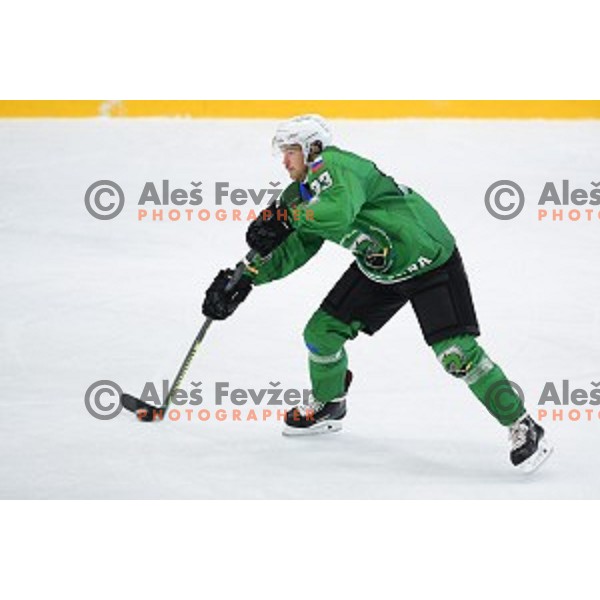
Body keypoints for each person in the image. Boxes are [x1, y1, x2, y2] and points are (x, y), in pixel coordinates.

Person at [202, 114, 553, 473]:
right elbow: (297, 248)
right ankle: (329, 404)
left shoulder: (339, 167)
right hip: (380, 268)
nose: (285, 161)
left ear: (313, 148)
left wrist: (288, 218)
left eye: (291, 151)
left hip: (428, 262)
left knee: (456, 354)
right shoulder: (301, 194)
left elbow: (337, 213)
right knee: (321, 335)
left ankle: (523, 425)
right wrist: (244, 279)